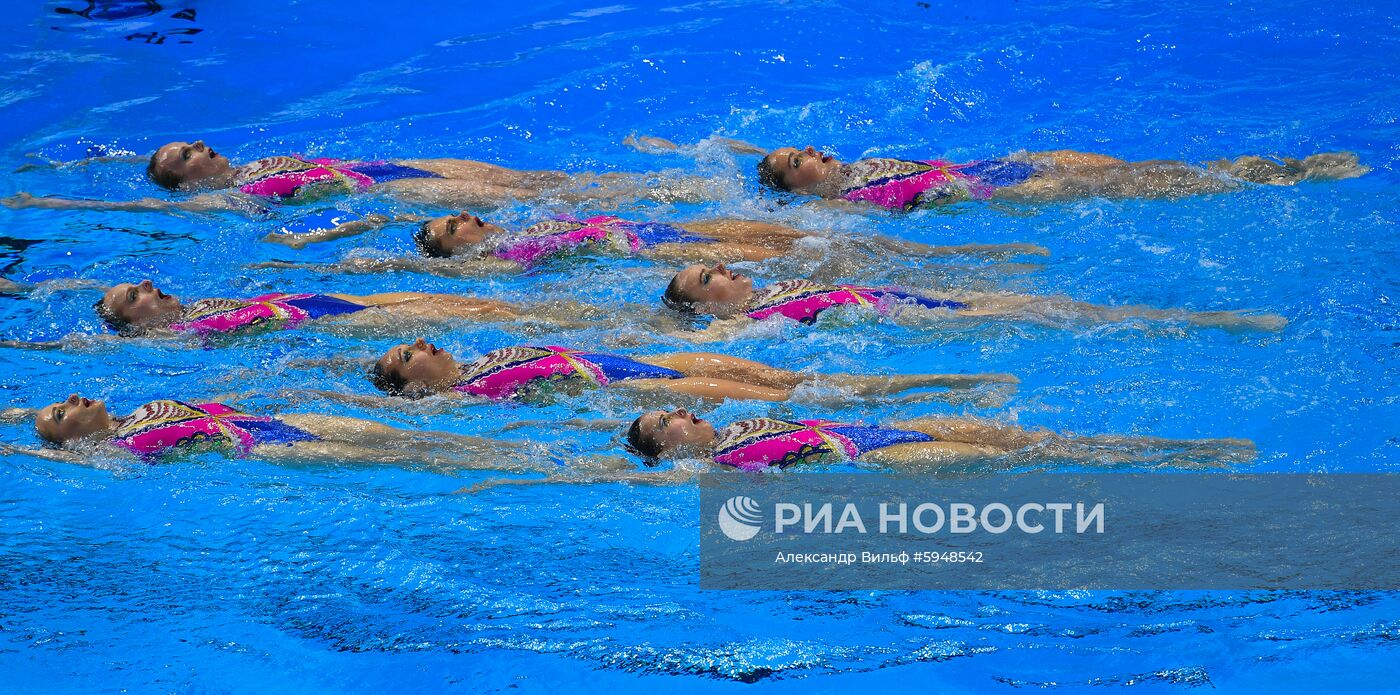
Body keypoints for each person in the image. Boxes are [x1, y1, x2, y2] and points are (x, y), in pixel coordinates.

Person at [2, 139, 724, 215]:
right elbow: (161, 208)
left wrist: (89, 161)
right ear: (191, 179)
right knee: (527, 198)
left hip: (385, 165)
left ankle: (646, 188)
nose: (199, 144)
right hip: (393, 189)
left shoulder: (249, 166)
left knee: (531, 176)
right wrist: (45, 200)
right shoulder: (227, 197)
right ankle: (675, 196)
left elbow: (139, 168)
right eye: (187, 154)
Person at [256, 211, 1049, 276]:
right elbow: (385, 264)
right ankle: (966, 259)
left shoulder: (525, 227)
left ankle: (958, 257)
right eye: (448, 229)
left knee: (820, 236)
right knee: (826, 252)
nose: (464, 218)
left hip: (666, 233)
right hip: (651, 255)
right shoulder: (508, 259)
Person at [661, 262, 1286, 340]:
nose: (721, 267)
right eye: (705, 277)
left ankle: (1200, 318)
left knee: (1050, 301)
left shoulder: (770, 290)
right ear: (707, 306)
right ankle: (1211, 322)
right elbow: (696, 353)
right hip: (909, 317)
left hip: (917, 296)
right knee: (1065, 317)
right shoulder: (733, 327)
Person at [365, 338, 1015, 404]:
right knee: (803, 394)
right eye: (406, 354)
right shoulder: (459, 398)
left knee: (785, 377)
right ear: (414, 384)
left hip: (645, 360)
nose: (421, 340)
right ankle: (932, 393)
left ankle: (924, 385)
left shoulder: (481, 361)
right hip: (640, 387)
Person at [13, 393, 545, 470]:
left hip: (283, 423)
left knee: (424, 438)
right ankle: (523, 469)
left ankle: (527, 451)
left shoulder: (142, 412)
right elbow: (38, 453)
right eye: (61, 414)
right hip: (272, 450)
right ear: (73, 440)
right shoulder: (111, 449)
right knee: (416, 459)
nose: (71, 401)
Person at [624, 406, 1256, 470]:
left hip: (885, 430)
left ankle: (1158, 447)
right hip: (889, 459)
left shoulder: (736, 429)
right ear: (667, 450)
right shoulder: (707, 470)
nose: (680, 411)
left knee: (1032, 438)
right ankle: (1191, 461)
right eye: (664, 422)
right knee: (1037, 459)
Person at [757, 145, 1369, 211]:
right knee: (1121, 188)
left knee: (1130, 171)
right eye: (796, 160)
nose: (811, 150)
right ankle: (1272, 184)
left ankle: (1247, 169)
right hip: (1002, 190)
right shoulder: (837, 207)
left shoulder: (861, 163)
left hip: (996, 165)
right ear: (800, 186)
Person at [90, 279, 596, 338]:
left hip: (317, 302)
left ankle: (573, 316)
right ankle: (584, 324)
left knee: (470, 303)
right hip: (338, 322)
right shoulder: (179, 335)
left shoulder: (196, 310)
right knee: (469, 317)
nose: (148, 285)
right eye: (135, 297)